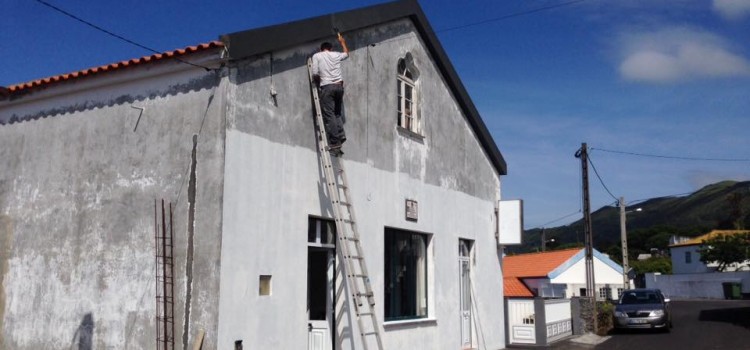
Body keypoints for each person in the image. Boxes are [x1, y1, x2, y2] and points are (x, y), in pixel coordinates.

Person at [312, 33, 349, 155]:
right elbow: (346, 54)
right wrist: (342, 42)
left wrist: (318, 83)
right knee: (337, 113)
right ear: (331, 48)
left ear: (321, 49)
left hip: (327, 87)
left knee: (329, 115)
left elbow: (315, 73)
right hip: (339, 87)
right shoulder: (336, 54)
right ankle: (341, 135)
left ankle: (335, 142)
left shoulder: (317, 56)